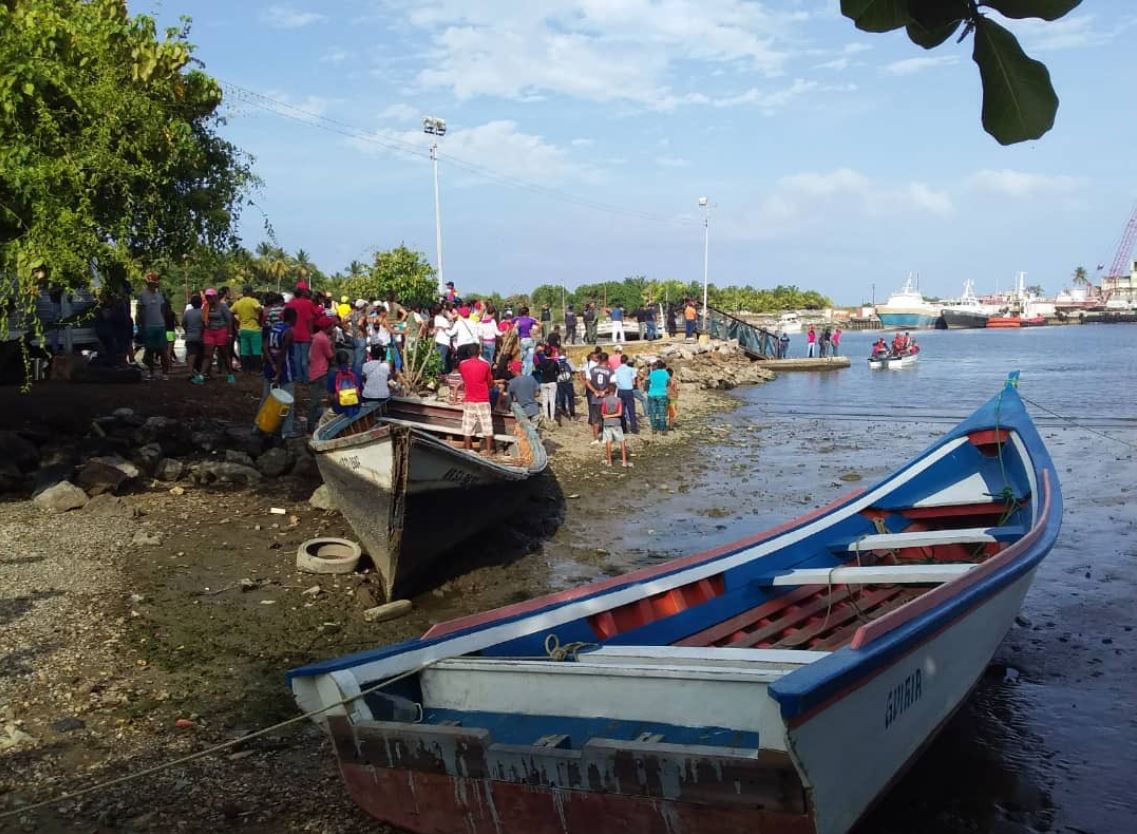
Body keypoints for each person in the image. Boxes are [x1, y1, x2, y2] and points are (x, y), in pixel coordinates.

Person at [261, 306, 297, 438]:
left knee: (265, 398)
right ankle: (286, 431)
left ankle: (260, 426)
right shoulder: (288, 332)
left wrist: (271, 364)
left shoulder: (274, 328)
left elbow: (265, 347)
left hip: (269, 368)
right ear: (293, 319)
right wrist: (278, 370)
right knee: (289, 401)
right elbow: (283, 353)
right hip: (285, 370)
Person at [459, 344, 496, 456]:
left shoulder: (462, 365)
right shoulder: (485, 365)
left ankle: (467, 450)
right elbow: (489, 382)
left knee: (467, 426)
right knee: (487, 426)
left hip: (469, 399)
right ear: (479, 352)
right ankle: (489, 452)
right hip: (483, 399)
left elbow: (464, 378)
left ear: (468, 353)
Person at [136, 272, 170, 381]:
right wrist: (140, 326)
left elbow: (163, 310)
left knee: (163, 350)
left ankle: (165, 373)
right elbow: (139, 311)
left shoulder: (159, 295)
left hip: (160, 325)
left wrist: (164, 322)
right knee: (149, 350)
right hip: (148, 326)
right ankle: (151, 373)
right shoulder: (142, 295)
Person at [285, 283, 318, 385]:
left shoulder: (290, 304)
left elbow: (283, 317)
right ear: (303, 292)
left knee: (296, 357)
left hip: (293, 334)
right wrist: (311, 333)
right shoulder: (308, 303)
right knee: (305, 358)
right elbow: (312, 318)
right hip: (306, 334)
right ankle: (306, 378)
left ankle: (298, 378)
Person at [201, 287, 235, 383]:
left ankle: (230, 374)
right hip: (209, 331)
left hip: (221, 331)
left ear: (215, 297)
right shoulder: (206, 307)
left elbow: (229, 320)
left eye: (210, 297)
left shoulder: (222, 306)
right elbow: (203, 320)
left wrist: (229, 334)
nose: (209, 299)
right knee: (207, 354)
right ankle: (201, 375)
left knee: (224, 354)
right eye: (207, 297)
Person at [307, 318, 335, 432]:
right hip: (321, 371)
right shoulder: (324, 339)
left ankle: (312, 425)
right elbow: (330, 356)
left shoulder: (316, 336)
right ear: (326, 327)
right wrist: (332, 344)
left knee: (315, 400)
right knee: (319, 401)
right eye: (331, 326)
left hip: (313, 370)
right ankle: (314, 426)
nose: (333, 328)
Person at [230, 286, 263, 373]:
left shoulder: (238, 302)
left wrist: (237, 322)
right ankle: (257, 370)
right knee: (256, 350)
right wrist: (259, 321)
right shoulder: (253, 301)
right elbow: (260, 309)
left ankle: (246, 370)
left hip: (243, 329)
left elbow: (230, 312)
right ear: (250, 292)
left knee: (244, 351)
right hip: (254, 329)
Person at [600, 383, 630, 468]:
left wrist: (608, 415)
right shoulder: (618, 400)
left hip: (607, 423)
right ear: (615, 390)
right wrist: (612, 415)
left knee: (608, 441)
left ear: (608, 390)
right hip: (616, 422)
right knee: (621, 441)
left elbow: (602, 413)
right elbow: (620, 413)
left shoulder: (604, 400)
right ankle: (624, 461)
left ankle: (610, 462)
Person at [585, 351, 613, 443]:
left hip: (595, 398)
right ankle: (606, 437)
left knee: (595, 419)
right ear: (607, 360)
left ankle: (596, 438)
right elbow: (612, 385)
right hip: (606, 398)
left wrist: (595, 391)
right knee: (606, 418)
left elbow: (587, 382)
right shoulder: (610, 371)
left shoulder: (592, 370)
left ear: (599, 359)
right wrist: (604, 391)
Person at [327, 350, 361, 420]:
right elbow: (360, 392)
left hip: (339, 408)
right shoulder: (355, 372)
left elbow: (330, 397)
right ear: (348, 360)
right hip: (356, 407)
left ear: (336, 362)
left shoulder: (332, 375)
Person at [507, 357, 541, 422]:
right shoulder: (531, 378)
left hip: (523, 412)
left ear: (513, 370)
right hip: (535, 410)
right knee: (534, 431)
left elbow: (509, 400)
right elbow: (537, 393)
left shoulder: (511, 382)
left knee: (524, 431)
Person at [614, 354, 639, 435]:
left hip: (620, 391)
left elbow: (615, 381)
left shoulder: (616, 370)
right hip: (628, 390)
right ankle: (634, 428)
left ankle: (623, 428)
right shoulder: (631, 369)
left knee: (621, 410)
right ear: (627, 361)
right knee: (631, 410)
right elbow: (634, 381)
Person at [183, 294, 205, 384]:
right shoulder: (203, 312)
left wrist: (187, 331)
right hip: (200, 336)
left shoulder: (187, 313)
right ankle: (202, 373)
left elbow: (183, 323)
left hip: (190, 336)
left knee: (191, 355)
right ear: (200, 303)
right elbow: (205, 324)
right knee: (202, 355)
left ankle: (190, 372)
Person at [536, 347, 559, 423]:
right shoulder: (554, 362)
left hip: (543, 381)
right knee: (552, 401)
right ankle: (552, 418)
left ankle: (546, 416)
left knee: (545, 400)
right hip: (552, 381)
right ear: (551, 353)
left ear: (544, 354)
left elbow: (537, 368)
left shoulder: (541, 363)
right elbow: (558, 372)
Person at [647, 360, 670, 433]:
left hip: (652, 394)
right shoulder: (665, 373)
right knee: (662, 413)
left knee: (653, 412)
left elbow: (648, 382)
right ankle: (663, 430)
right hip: (662, 394)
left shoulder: (652, 373)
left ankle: (654, 429)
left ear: (656, 366)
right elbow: (668, 382)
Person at [513, 306, 538, 374]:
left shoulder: (518, 319)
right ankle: (528, 375)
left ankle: (523, 374)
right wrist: (537, 331)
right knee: (529, 360)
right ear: (527, 312)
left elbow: (512, 321)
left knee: (523, 359)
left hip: (522, 340)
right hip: (530, 340)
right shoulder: (530, 319)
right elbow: (540, 324)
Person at [431, 304, 453, 373]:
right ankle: (441, 374)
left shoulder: (436, 317)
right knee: (442, 358)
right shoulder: (443, 319)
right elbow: (450, 327)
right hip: (444, 341)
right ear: (441, 310)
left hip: (438, 339)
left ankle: (439, 373)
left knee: (438, 358)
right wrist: (449, 319)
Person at [555, 353, 576, 421]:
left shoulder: (557, 364)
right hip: (569, 383)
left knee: (562, 398)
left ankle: (564, 411)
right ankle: (572, 414)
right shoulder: (568, 363)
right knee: (571, 398)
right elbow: (573, 370)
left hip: (560, 383)